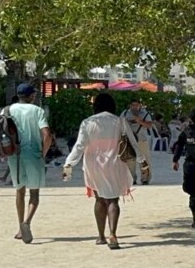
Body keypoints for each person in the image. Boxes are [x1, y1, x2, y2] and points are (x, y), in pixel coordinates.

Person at [62, 93, 146, 249]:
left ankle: (101, 236)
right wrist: (142, 161)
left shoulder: (88, 122)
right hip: (115, 163)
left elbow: (79, 146)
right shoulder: (119, 121)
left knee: (99, 199)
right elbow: (133, 143)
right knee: (113, 200)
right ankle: (113, 234)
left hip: (94, 165)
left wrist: (69, 163)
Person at [7, 83, 54, 243]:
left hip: (14, 155)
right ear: (31, 96)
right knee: (34, 193)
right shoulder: (37, 111)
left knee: (19, 191)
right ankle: (27, 222)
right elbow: (47, 135)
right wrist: (43, 153)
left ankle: (20, 227)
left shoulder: (8, 110)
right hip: (33, 155)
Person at [121, 99, 154, 185]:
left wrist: (140, 121)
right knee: (130, 160)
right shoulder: (125, 113)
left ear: (140, 105)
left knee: (145, 159)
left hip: (141, 140)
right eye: (132, 105)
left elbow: (149, 125)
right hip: (129, 140)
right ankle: (131, 178)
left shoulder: (145, 114)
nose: (134, 107)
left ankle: (145, 178)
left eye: (136, 105)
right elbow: (120, 123)